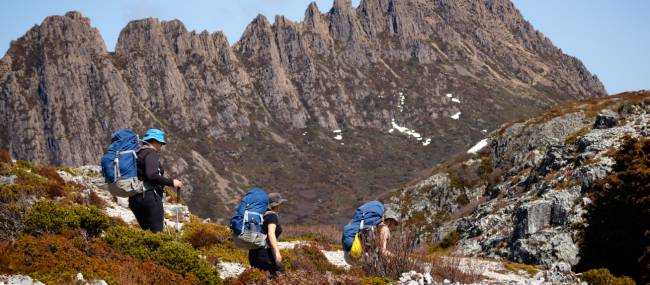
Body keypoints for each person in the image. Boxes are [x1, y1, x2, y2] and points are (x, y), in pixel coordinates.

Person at [128, 129, 183, 233]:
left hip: (134, 199)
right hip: (149, 198)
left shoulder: (138, 153)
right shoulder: (151, 153)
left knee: (147, 233)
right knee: (157, 234)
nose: (161, 146)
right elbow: (152, 175)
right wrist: (172, 182)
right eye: (160, 143)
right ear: (154, 141)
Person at [248, 192, 287, 277]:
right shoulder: (272, 216)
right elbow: (271, 234)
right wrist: (277, 253)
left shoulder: (260, 216)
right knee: (281, 276)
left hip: (253, 255)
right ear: (277, 205)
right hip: (265, 254)